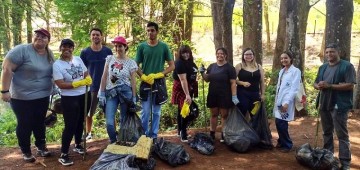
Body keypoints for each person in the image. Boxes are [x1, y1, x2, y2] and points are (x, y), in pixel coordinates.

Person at [1, 28, 54, 162]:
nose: (39, 38)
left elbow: (53, 71)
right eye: (37, 35)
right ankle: (26, 151)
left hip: (43, 96)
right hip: (21, 97)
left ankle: (41, 146)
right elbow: (7, 69)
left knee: (39, 121)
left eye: (43, 37)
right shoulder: (21, 51)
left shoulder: (49, 53)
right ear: (33, 37)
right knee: (25, 123)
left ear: (48, 41)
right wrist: (4, 91)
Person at [313, 43, 355, 170]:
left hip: (339, 105)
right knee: (327, 132)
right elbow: (315, 83)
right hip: (324, 103)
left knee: (342, 134)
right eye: (327, 52)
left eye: (332, 52)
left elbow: (350, 85)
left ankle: (345, 162)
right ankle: (328, 158)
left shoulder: (347, 66)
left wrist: (330, 86)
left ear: (338, 52)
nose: (329, 54)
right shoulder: (323, 67)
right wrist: (319, 85)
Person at [53, 39, 92, 166]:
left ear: (72, 49)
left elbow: (86, 73)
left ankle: (78, 144)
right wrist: (77, 83)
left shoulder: (78, 60)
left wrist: (88, 78)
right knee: (70, 125)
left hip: (84, 95)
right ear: (60, 48)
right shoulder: (57, 65)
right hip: (69, 98)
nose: (67, 49)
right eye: (64, 46)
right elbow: (60, 84)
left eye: (70, 47)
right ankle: (64, 153)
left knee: (81, 120)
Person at [135, 21, 175, 139]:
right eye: (148, 31)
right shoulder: (142, 47)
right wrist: (142, 76)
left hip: (159, 83)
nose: (150, 33)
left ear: (157, 32)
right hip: (146, 81)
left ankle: (153, 136)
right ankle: (143, 136)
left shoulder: (163, 47)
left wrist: (160, 74)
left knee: (156, 112)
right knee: (145, 112)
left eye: (152, 30)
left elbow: (172, 66)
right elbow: (135, 64)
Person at [98, 36, 138, 144]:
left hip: (126, 93)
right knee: (110, 122)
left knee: (124, 121)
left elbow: (133, 81)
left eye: (120, 46)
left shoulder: (131, 62)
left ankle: (122, 142)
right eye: (116, 46)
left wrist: (134, 97)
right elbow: (104, 76)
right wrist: (101, 93)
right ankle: (113, 141)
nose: (117, 48)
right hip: (111, 92)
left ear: (125, 47)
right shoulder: (110, 59)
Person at [199, 47, 238, 143]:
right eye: (218, 53)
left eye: (222, 54)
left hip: (225, 94)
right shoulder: (212, 66)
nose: (220, 55)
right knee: (214, 114)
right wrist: (202, 72)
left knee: (224, 115)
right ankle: (212, 133)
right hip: (213, 94)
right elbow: (207, 79)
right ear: (216, 55)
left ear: (225, 55)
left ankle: (223, 134)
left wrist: (234, 96)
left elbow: (233, 83)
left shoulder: (230, 68)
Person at [80, 28, 113, 140]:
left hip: (107, 86)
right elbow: (82, 70)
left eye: (97, 35)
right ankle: (88, 133)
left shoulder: (107, 51)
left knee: (109, 111)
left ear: (101, 36)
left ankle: (112, 133)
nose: (95, 37)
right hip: (92, 87)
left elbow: (112, 67)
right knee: (89, 112)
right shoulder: (85, 52)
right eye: (93, 35)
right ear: (90, 37)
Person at [273, 51, 301, 153]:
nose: (283, 60)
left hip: (287, 100)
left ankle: (287, 144)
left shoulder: (295, 71)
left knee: (282, 122)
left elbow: (294, 88)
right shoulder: (282, 71)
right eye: (282, 59)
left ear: (290, 58)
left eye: (286, 58)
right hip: (279, 99)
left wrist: (287, 102)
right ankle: (281, 141)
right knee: (278, 121)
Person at [171, 45, 198, 143]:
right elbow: (183, 80)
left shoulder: (190, 62)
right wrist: (187, 94)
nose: (186, 55)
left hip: (189, 87)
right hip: (182, 88)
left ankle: (180, 130)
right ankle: (183, 134)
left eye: (187, 52)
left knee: (181, 110)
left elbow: (194, 73)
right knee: (185, 110)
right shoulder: (179, 63)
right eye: (183, 53)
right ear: (180, 54)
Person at [235, 48, 265, 119]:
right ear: (243, 56)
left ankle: (255, 129)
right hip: (242, 94)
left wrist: (263, 94)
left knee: (255, 114)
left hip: (255, 94)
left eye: (250, 54)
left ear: (253, 55)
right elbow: (233, 80)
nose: (249, 56)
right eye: (246, 54)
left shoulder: (258, 66)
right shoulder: (239, 66)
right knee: (242, 113)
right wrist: (242, 83)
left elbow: (262, 81)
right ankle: (242, 129)